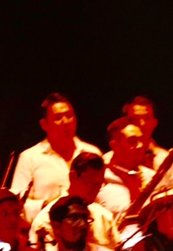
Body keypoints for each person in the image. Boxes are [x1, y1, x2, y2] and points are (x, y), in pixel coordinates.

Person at [10, 94, 104, 222]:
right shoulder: (29, 157)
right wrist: (44, 205)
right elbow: (16, 202)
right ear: (44, 124)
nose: (66, 122)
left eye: (69, 116)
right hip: (45, 227)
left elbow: (102, 194)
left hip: (89, 224)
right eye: (58, 118)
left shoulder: (91, 152)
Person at [29, 152, 116, 251]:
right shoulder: (46, 220)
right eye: (88, 183)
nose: (94, 190)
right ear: (73, 176)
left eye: (98, 184)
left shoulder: (105, 217)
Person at [121, 96, 173, 195]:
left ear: (154, 123)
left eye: (147, 118)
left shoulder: (167, 159)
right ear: (123, 123)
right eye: (134, 119)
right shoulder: (107, 161)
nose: (142, 123)